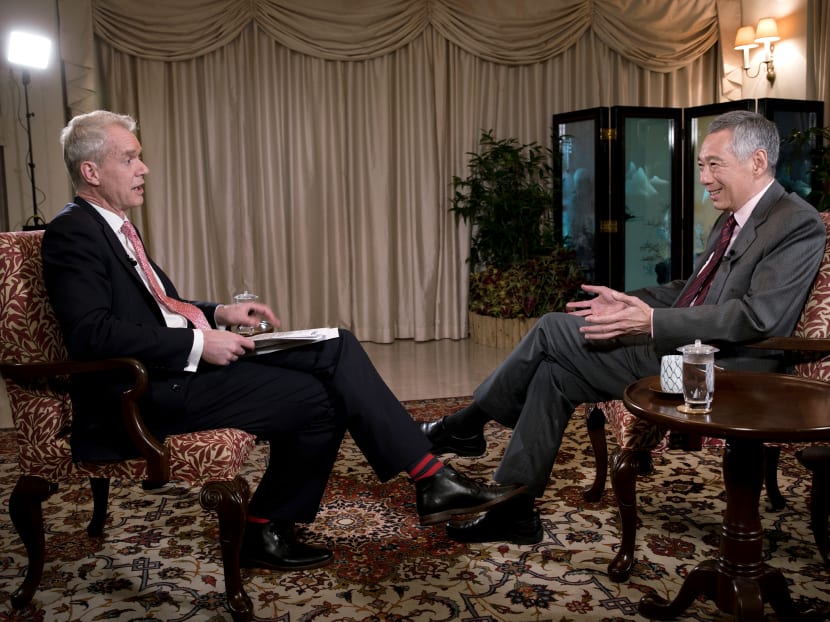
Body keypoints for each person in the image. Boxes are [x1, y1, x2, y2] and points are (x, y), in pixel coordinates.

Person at [42, 110, 526, 571]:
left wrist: (219, 313)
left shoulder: (117, 227)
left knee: (335, 343)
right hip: (143, 391)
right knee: (322, 400)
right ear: (91, 170)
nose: (143, 168)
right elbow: (91, 332)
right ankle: (277, 523)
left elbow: (158, 306)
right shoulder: (73, 231)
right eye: (129, 158)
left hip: (175, 367)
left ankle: (426, 478)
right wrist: (199, 344)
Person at [421, 110, 826, 544]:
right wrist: (632, 301)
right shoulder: (733, 218)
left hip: (728, 371)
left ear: (758, 161)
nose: (704, 178)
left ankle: (465, 426)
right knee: (552, 373)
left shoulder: (793, 222)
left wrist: (650, 322)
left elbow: (758, 317)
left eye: (714, 165)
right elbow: (693, 290)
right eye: (701, 166)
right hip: (691, 351)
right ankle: (513, 510)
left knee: (551, 329)